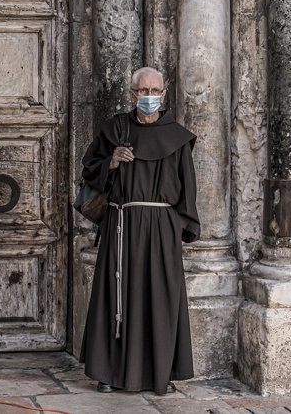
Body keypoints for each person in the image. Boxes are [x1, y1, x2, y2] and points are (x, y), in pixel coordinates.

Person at [78, 66, 200, 396]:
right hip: (121, 223)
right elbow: (89, 171)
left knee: (160, 298)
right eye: (142, 91)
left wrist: (182, 229)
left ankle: (160, 374)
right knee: (114, 296)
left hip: (161, 229)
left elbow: (188, 187)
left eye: (154, 91)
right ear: (132, 95)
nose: (148, 97)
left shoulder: (178, 136)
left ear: (164, 94)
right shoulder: (115, 129)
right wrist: (112, 163)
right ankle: (109, 373)